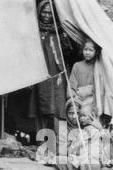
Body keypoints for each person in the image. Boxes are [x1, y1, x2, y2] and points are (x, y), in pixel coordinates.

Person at [27, 0, 72, 136]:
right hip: (40, 73)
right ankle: (43, 143)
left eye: (50, 13)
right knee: (40, 105)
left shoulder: (59, 31)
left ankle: (60, 141)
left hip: (58, 73)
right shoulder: (34, 30)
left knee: (59, 105)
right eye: (44, 12)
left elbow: (68, 52)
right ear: (39, 12)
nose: (47, 16)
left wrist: (64, 39)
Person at [69, 105, 102, 170]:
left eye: (85, 116)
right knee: (82, 163)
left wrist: (73, 148)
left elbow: (83, 141)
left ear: (93, 116)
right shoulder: (86, 128)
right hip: (87, 151)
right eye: (81, 116)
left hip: (93, 153)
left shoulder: (90, 128)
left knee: (86, 163)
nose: (82, 118)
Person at [68, 38, 101, 116]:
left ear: (96, 52)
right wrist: (74, 96)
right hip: (79, 100)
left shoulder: (98, 67)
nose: (87, 52)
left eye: (91, 50)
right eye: (85, 50)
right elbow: (71, 85)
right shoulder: (77, 66)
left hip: (93, 101)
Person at [55, 97, 83, 170]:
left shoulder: (85, 125)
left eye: (77, 113)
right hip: (70, 159)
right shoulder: (63, 128)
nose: (74, 116)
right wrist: (75, 145)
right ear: (66, 114)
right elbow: (61, 151)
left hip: (85, 158)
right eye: (71, 113)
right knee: (59, 160)